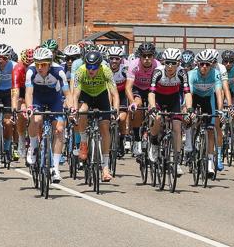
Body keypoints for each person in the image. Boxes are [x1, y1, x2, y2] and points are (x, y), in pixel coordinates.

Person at [69, 50, 119, 182]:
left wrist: (116, 111)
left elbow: (114, 94)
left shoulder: (106, 70)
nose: (91, 70)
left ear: (99, 65)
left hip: (101, 96)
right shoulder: (80, 71)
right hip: (86, 96)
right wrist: (74, 110)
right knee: (83, 111)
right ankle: (84, 142)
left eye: (94, 67)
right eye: (89, 66)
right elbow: (75, 94)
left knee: (104, 128)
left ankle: (105, 168)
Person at [24, 47, 70, 183]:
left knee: (60, 129)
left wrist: (71, 107)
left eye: (43, 64)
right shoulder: (31, 71)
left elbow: (67, 94)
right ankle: (33, 147)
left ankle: (55, 168)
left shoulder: (58, 71)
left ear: (50, 63)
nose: (39, 67)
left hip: (54, 99)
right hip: (37, 98)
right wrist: (29, 107)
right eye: (37, 63)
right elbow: (28, 93)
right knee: (36, 118)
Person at [147, 48, 191, 176]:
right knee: (157, 118)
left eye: (173, 63)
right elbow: (151, 92)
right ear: (163, 62)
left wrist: (189, 108)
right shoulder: (158, 72)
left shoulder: (182, 72)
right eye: (167, 63)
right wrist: (153, 107)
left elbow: (187, 93)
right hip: (158, 100)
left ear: (178, 63)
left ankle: (176, 162)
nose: (170, 66)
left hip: (173, 100)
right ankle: (154, 143)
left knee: (177, 127)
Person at [189, 49, 225, 176]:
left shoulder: (215, 73)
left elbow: (219, 93)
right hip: (195, 98)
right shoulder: (192, 74)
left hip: (208, 99)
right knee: (190, 119)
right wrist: (190, 110)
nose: (204, 67)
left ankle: (210, 162)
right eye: (202, 64)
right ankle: (190, 143)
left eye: (207, 64)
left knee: (210, 130)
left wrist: (220, 111)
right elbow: (190, 94)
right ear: (197, 64)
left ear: (211, 64)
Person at [125, 42, 160, 157]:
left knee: (153, 109)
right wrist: (132, 103)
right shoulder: (134, 65)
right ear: (139, 56)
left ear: (153, 56)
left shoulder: (157, 65)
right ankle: (137, 139)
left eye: (149, 55)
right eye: (144, 56)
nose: (146, 58)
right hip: (138, 88)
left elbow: (160, 86)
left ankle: (153, 135)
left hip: (152, 88)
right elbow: (128, 87)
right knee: (138, 106)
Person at [12, 48, 33, 159]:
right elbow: (15, 92)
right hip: (21, 90)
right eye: (26, 65)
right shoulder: (18, 69)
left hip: (34, 90)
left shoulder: (38, 69)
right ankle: (21, 139)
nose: (28, 68)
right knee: (21, 112)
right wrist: (15, 107)